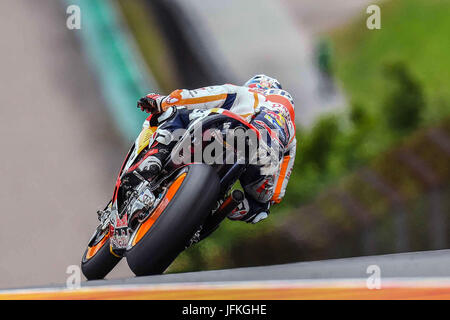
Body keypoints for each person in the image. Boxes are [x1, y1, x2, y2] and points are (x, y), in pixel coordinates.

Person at [134, 75, 296, 224]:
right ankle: (219, 207)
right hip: (265, 164)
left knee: (178, 113)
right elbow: (276, 194)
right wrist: (263, 202)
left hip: (231, 133)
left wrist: (162, 102)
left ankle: (154, 160)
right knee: (260, 208)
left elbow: (194, 97)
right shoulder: (291, 135)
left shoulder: (246, 93)